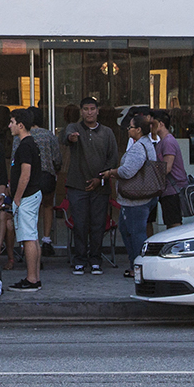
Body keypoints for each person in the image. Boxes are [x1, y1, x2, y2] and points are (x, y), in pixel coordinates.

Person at [59, 96, 119, 275]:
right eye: (85, 109)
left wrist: (100, 179)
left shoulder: (107, 132)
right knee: (80, 224)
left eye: (92, 109)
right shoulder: (75, 128)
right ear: (81, 111)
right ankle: (79, 260)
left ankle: (95, 260)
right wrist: (71, 137)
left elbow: (113, 159)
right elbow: (65, 136)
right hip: (78, 186)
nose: (89, 112)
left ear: (98, 111)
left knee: (98, 225)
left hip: (100, 186)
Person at [5, 110, 48, 291]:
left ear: (20, 125)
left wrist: (16, 198)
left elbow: (25, 174)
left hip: (27, 196)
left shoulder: (25, 146)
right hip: (31, 195)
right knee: (33, 237)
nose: (9, 125)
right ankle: (34, 277)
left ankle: (31, 279)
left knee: (28, 238)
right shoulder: (30, 144)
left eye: (12, 122)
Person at [115, 111, 161, 270]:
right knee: (129, 229)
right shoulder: (148, 143)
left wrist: (113, 172)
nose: (128, 129)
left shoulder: (138, 147)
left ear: (139, 130)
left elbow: (127, 171)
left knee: (135, 233)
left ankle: (139, 266)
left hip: (135, 198)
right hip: (145, 196)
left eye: (131, 127)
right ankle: (137, 265)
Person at [147, 111, 187, 232]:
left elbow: (167, 168)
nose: (150, 126)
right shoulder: (161, 142)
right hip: (166, 189)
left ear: (161, 124)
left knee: (174, 223)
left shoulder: (168, 141)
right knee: (170, 222)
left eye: (152, 123)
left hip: (173, 189)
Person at [29, 113, 62, 255]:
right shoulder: (49, 135)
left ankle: (32, 241)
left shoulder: (23, 136)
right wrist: (56, 169)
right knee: (48, 206)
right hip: (47, 175)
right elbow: (57, 157)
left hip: (30, 177)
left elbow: (14, 158)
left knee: (31, 210)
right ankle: (47, 239)